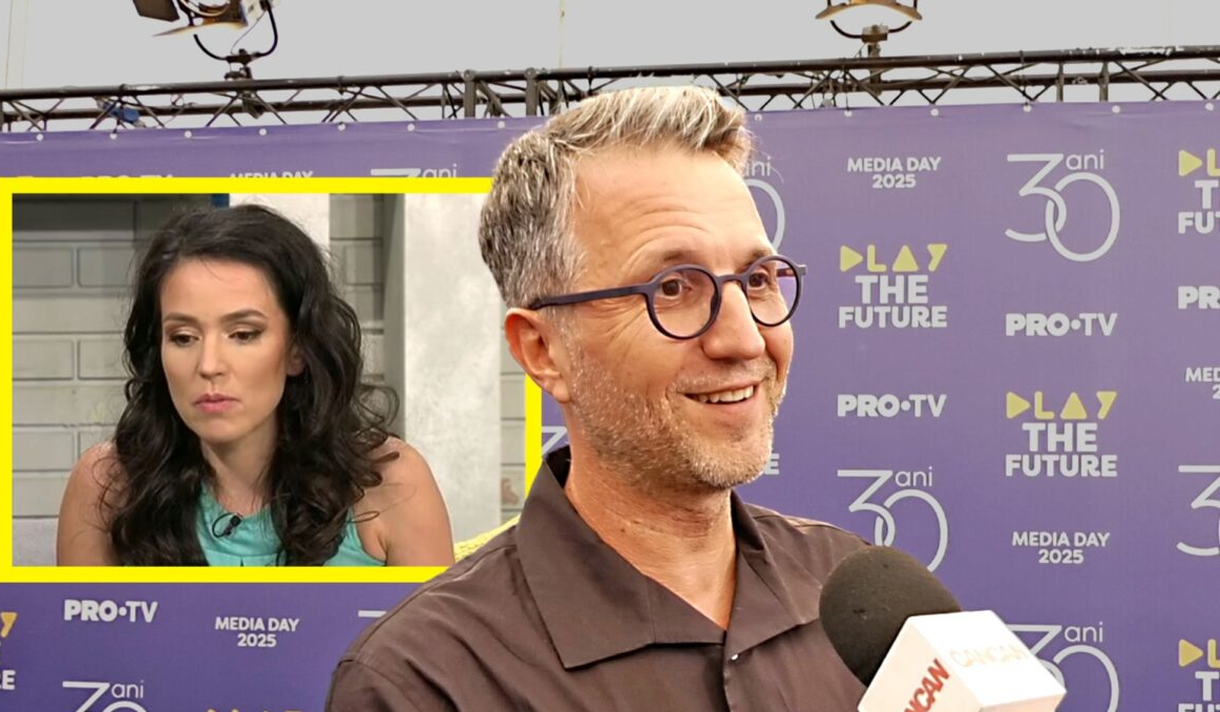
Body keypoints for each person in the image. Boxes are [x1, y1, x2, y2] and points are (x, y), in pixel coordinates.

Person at [325, 86, 867, 710]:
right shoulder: (424, 682)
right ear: (542, 351)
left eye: (758, 279)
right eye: (673, 288)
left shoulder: (856, 598)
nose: (745, 338)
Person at [56, 204, 454, 567]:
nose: (209, 365)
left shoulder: (392, 484)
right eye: (183, 337)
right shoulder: (106, 486)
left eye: (243, 334)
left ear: (297, 348)